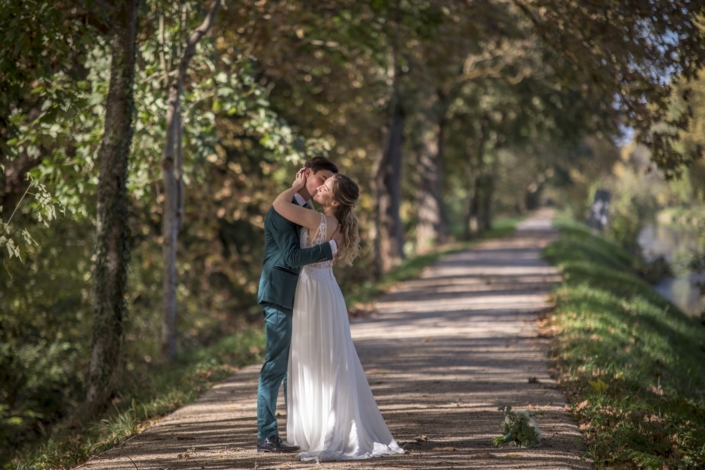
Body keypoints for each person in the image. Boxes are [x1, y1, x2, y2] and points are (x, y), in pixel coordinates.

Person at [270, 169, 404, 462]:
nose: (318, 188)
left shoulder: (319, 220)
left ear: (335, 198)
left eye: (325, 186)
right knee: (328, 359)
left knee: (314, 359)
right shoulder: (337, 225)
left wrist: (294, 186)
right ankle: (327, 425)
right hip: (326, 291)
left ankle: (321, 430)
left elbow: (279, 206)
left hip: (313, 292)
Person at [256, 157, 343, 453]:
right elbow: (292, 258)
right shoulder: (282, 210)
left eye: (329, 181)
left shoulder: (305, 209)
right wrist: (329, 248)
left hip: (303, 296)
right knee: (276, 366)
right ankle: (266, 436)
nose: (323, 185)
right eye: (322, 178)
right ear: (306, 174)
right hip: (280, 292)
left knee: (297, 367)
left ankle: (297, 431)